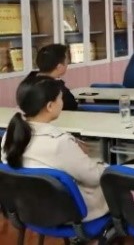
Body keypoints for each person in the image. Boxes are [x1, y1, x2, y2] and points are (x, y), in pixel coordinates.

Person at [1, 76, 108, 221]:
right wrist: (105, 166)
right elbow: (94, 178)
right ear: (50, 106)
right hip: (69, 212)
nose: (62, 102)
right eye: (60, 98)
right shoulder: (59, 143)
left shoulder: (10, 134)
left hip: (29, 209)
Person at [22, 44, 77, 111]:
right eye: (66, 61)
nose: (67, 63)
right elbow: (73, 107)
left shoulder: (27, 83)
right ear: (59, 67)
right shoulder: (58, 90)